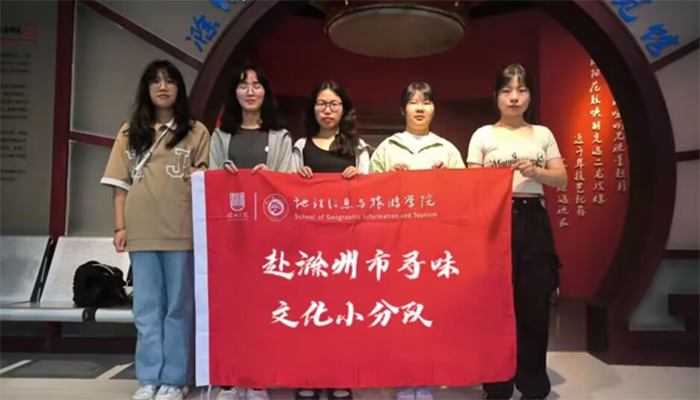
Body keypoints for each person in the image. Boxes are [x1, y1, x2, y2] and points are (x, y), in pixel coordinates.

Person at [101, 60, 211, 400]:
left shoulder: (196, 131)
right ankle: (149, 377)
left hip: (182, 230)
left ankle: (176, 378)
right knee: (147, 308)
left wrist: (202, 176)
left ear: (179, 88)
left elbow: (209, 180)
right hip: (141, 230)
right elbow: (120, 186)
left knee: (179, 307)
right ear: (146, 89)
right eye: (155, 81)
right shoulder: (128, 132)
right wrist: (120, 227)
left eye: (169, 80)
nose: (163, 87)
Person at [466, 63, 566, 400]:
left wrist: (537, 171)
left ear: (530, 97)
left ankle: (533, 385)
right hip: (495, 221)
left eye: (521, 90)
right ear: (495, 96)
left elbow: (561, 178)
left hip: (533, 219)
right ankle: (497, 385)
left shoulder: (543, 134)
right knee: (495, 307)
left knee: (534, 305)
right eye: (507, 90)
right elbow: (471, 184)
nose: (514, 97)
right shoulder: (482, 135)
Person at [370, 82, 465, 400]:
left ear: (434, 109)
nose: (420, 107)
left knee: (427, 313)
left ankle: (424, 380)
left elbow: (464, 197)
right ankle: (402, 379)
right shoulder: (387, 148)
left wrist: (447, 180)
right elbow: (369, 196)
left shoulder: (447, 149)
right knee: (400, 313)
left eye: (426, 102)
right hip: (396, 245)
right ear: (403, 109)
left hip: (433, 245)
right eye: (413, 102)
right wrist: (388, 178)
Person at [209, 66, 293, 400]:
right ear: (235, 93)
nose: (250, 90)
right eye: (243, 85)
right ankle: (230, 380)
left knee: (261, 311)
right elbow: (211, 180)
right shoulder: (220, 136)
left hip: (266, 240)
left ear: (265, 93)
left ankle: (257, 380)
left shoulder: (280, 137)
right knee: (230, 310)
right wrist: (223, 175)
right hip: (229, 238)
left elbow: (288, 185)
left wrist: (270, 177)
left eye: (257, 85)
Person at [291, 80, 371, 400]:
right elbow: (286, 193)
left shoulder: (358, 148)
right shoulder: (299, 147)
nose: (327, 110)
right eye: (322, 104)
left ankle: (340, 376)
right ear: (313, 109)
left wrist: (359, 180)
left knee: (342, 312)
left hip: (345, 244)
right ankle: (309, 376)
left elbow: (370, 195)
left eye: (334, 104)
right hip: (309, 244)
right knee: (310, 311)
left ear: (344, 109)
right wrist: (297, 180)